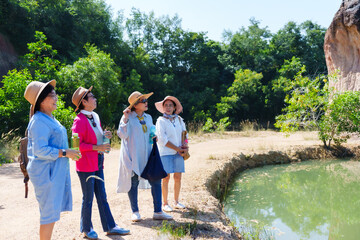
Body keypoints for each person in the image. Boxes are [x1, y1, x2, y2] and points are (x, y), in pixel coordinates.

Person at [24, 80, 81, 240]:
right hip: (46, 174)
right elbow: (40, 150)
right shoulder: (38, 121)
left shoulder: (49, 118)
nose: (55, 98)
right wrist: (65, 152)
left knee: (52, 213)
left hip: (52, 172)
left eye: (55, 94)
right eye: (51, 96)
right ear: (41, 101)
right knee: (48, 215)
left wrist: (68, 152)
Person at [71, 86, 130, 240]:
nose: (95, 98)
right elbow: (76, 146)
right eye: (92, 96)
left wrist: (105, 135)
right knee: (88, 197)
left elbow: (95, 136)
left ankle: (110, 227)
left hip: (97, 161)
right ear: (84, 101)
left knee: (102, 196)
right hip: (85, 165)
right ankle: (86, 229)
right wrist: (97, 147)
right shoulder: (78, 120)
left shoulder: (95, 116)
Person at [117, 91, 173, 222]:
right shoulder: (127, 117)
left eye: (146, 100)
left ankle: (158, 211)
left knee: (156, 180)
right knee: (134, 182)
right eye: (143, 101)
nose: (146, 103)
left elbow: (151, 132)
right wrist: (124, 118)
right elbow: (122, 134)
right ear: (135, 105)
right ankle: (135, 211)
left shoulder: (148, 117)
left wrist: (155, 136)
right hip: (133, 155)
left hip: (148, 154)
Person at [155, 96, 188, 212]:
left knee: (178, 177)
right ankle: (165, 203)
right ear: (163, 108)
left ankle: (176, 201)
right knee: (166, 178)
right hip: (165, 153)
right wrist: (177, 148)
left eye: (170, 105)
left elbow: (185, 134)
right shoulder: (160, 121)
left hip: (179, 153)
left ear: (174, 107)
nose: (168, 108)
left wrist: (185, 146)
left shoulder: (179, 119)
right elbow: (162, 139)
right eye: (166, 105)